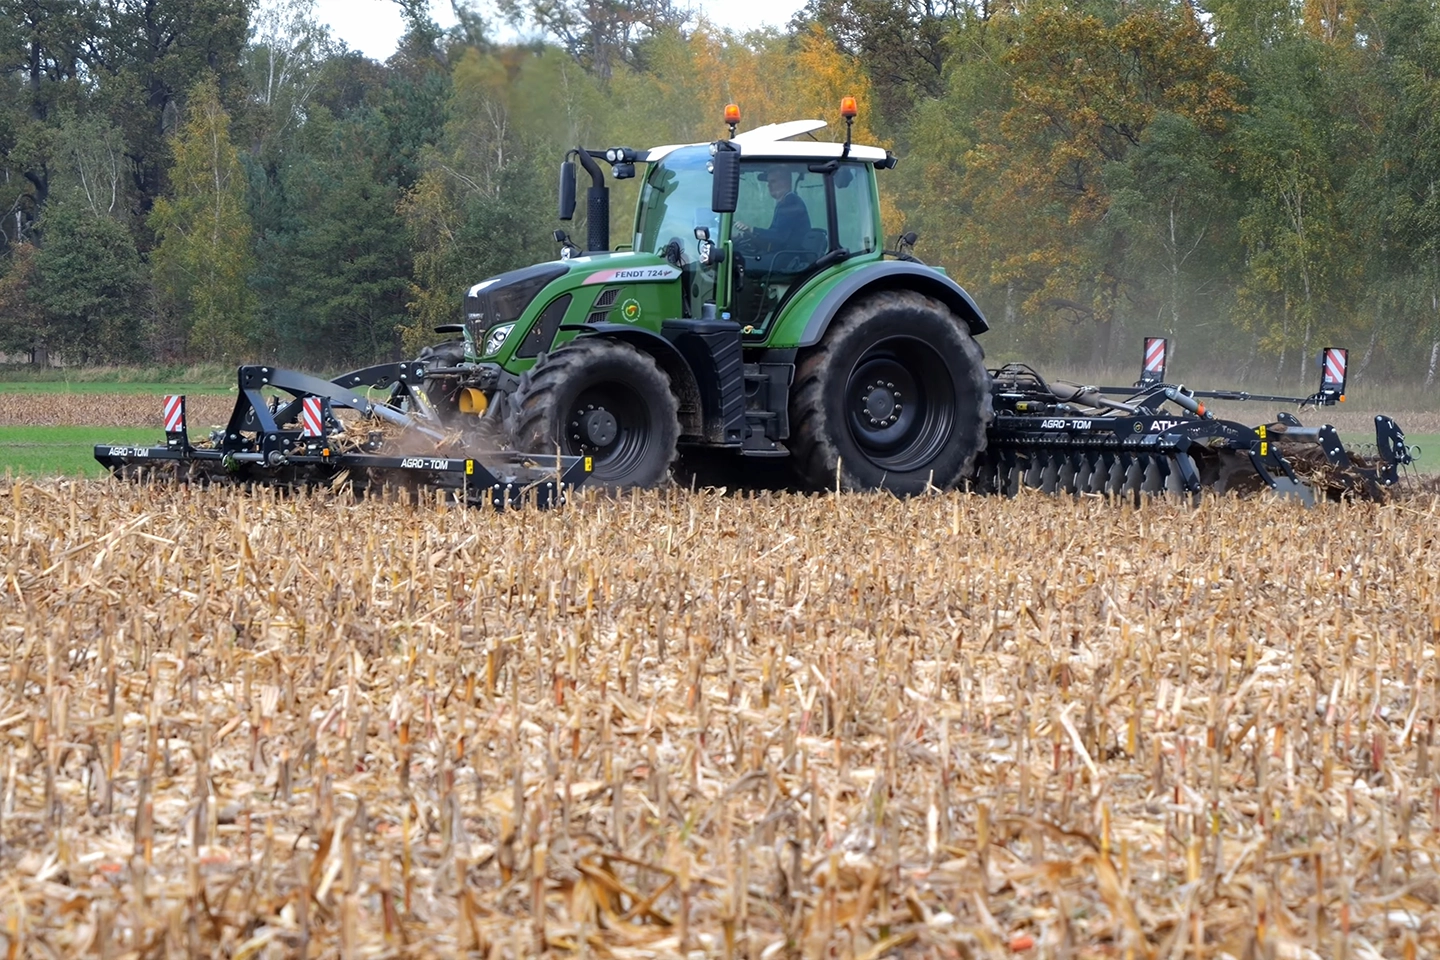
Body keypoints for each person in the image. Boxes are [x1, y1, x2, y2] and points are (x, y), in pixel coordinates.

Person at [735, 166, 810, 252]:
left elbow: (780, 236)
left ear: (786, 182)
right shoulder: (786, 202)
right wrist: (747, 235)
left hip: (789, 257)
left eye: (773, 181)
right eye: (768, 182)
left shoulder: (790, 202)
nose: (768, 185)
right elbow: (774, 234)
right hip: (785, 254)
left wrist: (751, 229)